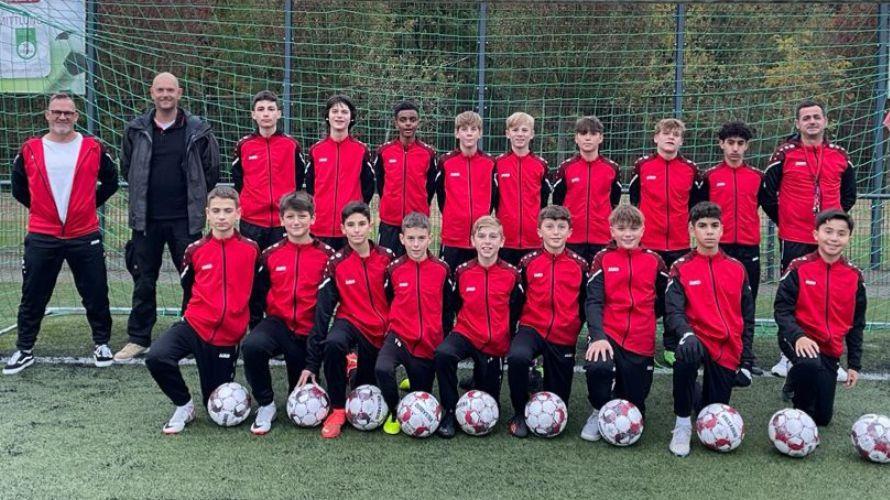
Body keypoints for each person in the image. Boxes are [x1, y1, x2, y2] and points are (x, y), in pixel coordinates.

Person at [4, 93, 118, 375]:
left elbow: (112, 181)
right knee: (33, 294)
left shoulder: (93, 147)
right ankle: (25, 349)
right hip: (43, 235)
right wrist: (42, 211)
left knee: (95, 292)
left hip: (84, 233)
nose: (62, 117)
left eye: (68, 112)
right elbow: (18, 188)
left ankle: (102, 344)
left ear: (76, 116)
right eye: (57, 112)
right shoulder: (30, 149)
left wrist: (87, 206)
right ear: (47, 115)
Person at [116, 71, 220, 362]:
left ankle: (190, 334)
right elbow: (127, 166)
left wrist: (195, 200)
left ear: (179, 93)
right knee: (144, 280)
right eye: (160, 90)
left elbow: (211, 170)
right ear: (152, 93)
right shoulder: (136, 129)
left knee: (192, 280)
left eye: (170, 90)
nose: (165, 95)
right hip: (146, 220)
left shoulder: (198, 129)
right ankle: (138, 338)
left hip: (185, 220)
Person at [145, 187, 260, 434]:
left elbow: (258, 291)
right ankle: (184, 405)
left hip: (227, 336)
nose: (222, 217)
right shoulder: (194, 250)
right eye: (216, 211)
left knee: (213, 405)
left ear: (238, 213)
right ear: (207, 214)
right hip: (195, 325)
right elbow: (188, 286)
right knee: (157, 356)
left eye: (227, 211)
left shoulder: (252, 250)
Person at [760, 99, 857, 380]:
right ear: (798, 124)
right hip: (794, 236)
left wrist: (831, 225)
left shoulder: (840, 155)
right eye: (806, 118)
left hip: (829, 240)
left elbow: (849, 195)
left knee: (829, 295)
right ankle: (787, 354)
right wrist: (786, 218)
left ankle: (829, 355)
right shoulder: (784, 153)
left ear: (825, 121)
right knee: (792, 294)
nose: (812, 122)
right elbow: (767, 194)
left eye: (816, 117)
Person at [664, 201, 754, 457]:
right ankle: (682, 424)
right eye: (702, 226)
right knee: (686, 354)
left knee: (710, 410)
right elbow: (673, 311)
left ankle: (697, 393)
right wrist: (686, 334)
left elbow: (747, 318)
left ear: (722, 230)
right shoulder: (681, 267)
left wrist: (747, 362)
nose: (709, 231)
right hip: (697, 339)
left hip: (727, 346)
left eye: (714, 226)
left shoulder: (737, 268)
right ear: (692, 230)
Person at [298, 201, 394, 439]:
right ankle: (338, 408)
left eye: (362, 224)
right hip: (351, 321)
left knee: (366, 384)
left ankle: (354, 367)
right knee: (334, 343)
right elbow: (323, 312)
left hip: (382, 329)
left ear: (371, 225)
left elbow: (399, 299)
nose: (357, 230)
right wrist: (311, 363)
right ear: (343, 229)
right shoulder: (336, 263)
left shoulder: (387, 258)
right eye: (351, 225)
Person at [241, 191, 333, 435]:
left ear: (313, 218)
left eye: (302, 216)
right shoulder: (270, 254)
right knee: (252, 346)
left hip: (309, 330)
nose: (296, 222)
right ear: (281, 220)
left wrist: (313, 357)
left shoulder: (327, 256)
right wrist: (258, 328)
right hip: (278, 325)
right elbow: (258, 296)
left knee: (300, 395)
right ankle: (266, 404)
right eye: (290, 217)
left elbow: (327, 307)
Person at [581, 204, 667, 441]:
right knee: (599, 366)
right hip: (609, 333)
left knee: (635, 405)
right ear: (612, 231)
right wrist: (598, 336)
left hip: (641, 338)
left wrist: (648, 316)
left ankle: (622, 398)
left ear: (643, 230)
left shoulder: (655, 261)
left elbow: (665, 298)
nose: (628, 234)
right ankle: (598, 408)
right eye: (621, 229)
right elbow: (593, 301)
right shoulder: (602, 258)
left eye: (633, 228)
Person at [774, 210, 865, 426]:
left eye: (841, 233)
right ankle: (799, 413)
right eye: (828, 231)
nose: (834, 238)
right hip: (797, 338)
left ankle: (793, 378)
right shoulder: (798, 267)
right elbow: (782, 310)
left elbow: (857, 323)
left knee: (823, 418)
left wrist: (854, 364)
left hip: (829, 347)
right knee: (809, 366)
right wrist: (798, 336)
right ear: (816, 234)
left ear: (849, 237)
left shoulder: (854, 276)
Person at [434, 215, 523, 438]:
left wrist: (505, 335)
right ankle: (450, 410)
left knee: (489, 406)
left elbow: (517, 309)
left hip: (495, 343)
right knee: (443, 353)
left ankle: (481, 378)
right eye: (482, 236)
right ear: (473, 241)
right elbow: (453, 305)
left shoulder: (512, 274)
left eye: (493, 237)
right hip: (466, 333)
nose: (487, 242)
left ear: (502, 241)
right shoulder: (462, 272)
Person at [506, 205, 588, 438]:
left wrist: (573, 326)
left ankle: (545, 390)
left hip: (563, 333)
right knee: (517, 357)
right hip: (532, 328)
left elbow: (584, 303)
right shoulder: (527, 263)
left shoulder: (580, 265)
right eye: (549, 227)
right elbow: (517, 301)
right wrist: (513, 331)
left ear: (570, 232)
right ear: (539, 231)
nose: (555, 232)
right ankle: (519, 411)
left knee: (558, 401)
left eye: (561, 227)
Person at [232, 90, 304, 327]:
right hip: (252, 223)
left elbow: (300, 178)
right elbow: (239, 180)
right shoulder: (244, 145)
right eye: (261, 109)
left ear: (279, 114)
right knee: (252, 276)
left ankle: (279, 325)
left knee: (281, 276)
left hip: (283, 224)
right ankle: (254, 325)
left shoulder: (291, 145)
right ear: (253, 114)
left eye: (271, 109)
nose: (266, 114)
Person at [375, 213, 452, 435]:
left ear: (430, 238)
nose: (416, 244)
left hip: (428, 341)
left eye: (421, 238)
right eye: (410, 238)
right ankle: (394, 410)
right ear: (402, 239)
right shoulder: (394, 269)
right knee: (382, 368)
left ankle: (413, 377)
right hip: (399, 336)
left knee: (421, 395)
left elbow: (448, 308)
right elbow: (388, 299)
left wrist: (442, 336)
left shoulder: (442, 269)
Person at [303, 94, 375, 251]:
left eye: (344, 112)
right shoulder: (316, 150)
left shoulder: (361, 150)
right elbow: (310, 187)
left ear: (351, 117)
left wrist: (356, 209)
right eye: (335, 111)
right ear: (327, 116)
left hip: (350, 228)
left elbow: (369, 187)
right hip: (321, 227)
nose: (339, 116)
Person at [628, 118, 700, 269]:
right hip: (648, 242)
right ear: (656, 138)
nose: (671, 137)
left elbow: (694, 204)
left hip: (680, 243)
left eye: (676, 134)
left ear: (681, 141)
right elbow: (634, 200)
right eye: (666, 133)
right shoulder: (642, 166)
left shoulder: (690, 169)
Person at [551, 115, 622, 263]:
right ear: (576, 138)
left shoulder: (612, 168)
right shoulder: (566, 168)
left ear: (600, 138)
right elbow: (558, 202)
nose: (588, 138)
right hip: (572, 238)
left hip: (602, 237)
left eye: (593, 134)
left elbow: (614, 201)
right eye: (583, 133)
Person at [435, 110, 497, 271]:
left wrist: (482, 215)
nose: (469, 133)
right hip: (453, 237)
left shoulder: (490, 163)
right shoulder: (445, 162)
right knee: (449, 280)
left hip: (480, 238)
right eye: (464, 129)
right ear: (457, 133)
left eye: (473, 129)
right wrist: (454, 215)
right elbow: (441, 196)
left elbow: (494, 196)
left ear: (480, 133)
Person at [374, 100, 437, 256]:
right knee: (387, 264)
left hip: (417, 223)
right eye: (403, 120)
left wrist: (419, 204)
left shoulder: (428, 153)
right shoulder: (384, 151)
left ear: (418, 122)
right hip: (390, 222)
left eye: (412, 119)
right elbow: (380, 183)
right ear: (396, 123)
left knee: (415, 264)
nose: (408, 123)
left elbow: (431, 187)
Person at [494, 112, 550, 266]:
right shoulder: (498, 164)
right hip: (505, 239)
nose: (520, 134)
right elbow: (493, 199)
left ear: (532, 134)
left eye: (525, 130)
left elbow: (544, 201)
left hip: (533, 239)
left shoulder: (540, 165)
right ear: (507, 134)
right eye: (515, 130)